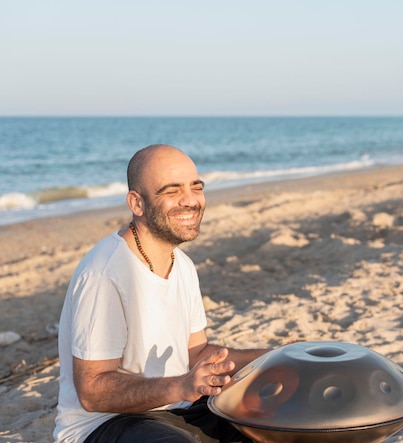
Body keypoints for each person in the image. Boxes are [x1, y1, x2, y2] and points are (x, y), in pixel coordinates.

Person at [54, 144, 267, 442]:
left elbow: (195, 353)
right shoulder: (105, 272)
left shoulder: (183, 265)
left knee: (273, 426)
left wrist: (272, 357)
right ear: (137, 203)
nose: (191, 200)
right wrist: (180, 386)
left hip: (176, 410)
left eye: (196, 187)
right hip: (105, 424)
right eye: (172, 191)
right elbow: (92, 392)